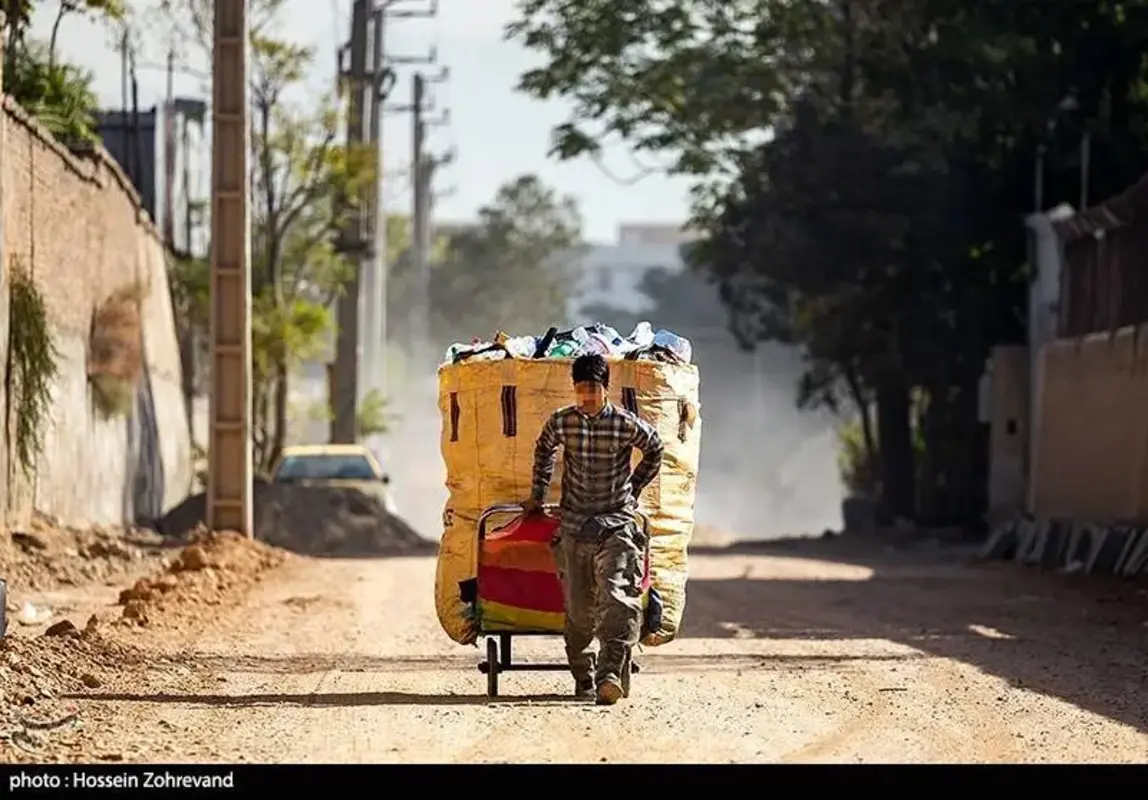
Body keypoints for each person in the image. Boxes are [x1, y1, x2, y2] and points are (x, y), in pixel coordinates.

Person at [523, 353, 664, 706]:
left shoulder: (623, 423)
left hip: (615, 523)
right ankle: (583, 677)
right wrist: (537, 496)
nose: (587, 397)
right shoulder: (561, 422)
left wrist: (634, 488)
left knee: (618, 599)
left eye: (593, 389)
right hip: (573, 524)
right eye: (581, 389)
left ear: (606, 389)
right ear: (574, 389)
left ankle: (610, 675)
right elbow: (543, 451)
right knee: (579, 609)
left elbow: (655, 448)